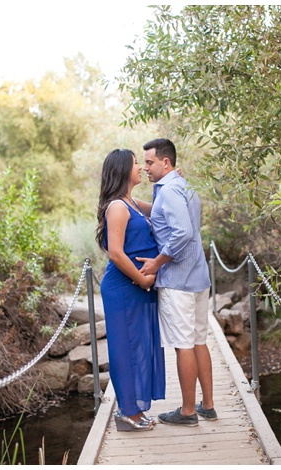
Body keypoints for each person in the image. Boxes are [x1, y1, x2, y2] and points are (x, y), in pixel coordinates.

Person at [136, 138, 217, 427]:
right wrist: (130, 201)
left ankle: (186, 411)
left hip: (177, 281)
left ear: (165, 163)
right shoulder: (182, 186)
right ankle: (207, 405)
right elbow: (167, 216)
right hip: (197, 277)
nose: (145, 167)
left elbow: (181, 232)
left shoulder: (169, 191)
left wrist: (157, 262)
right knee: (198, 341)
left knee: (183, 344)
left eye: (149, 162)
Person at [95, 148, 165, 432]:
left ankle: (134, 409)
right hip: (124, 287)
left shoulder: (132, 203)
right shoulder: (117, 207)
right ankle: (127, 413)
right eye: (137, 164)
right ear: (124, 170)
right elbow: (115, 253)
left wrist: (171, 181)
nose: (141, 168)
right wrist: (142, 279)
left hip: (138, 286)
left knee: (140, 346)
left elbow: (162, 208)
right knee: (125, 348)